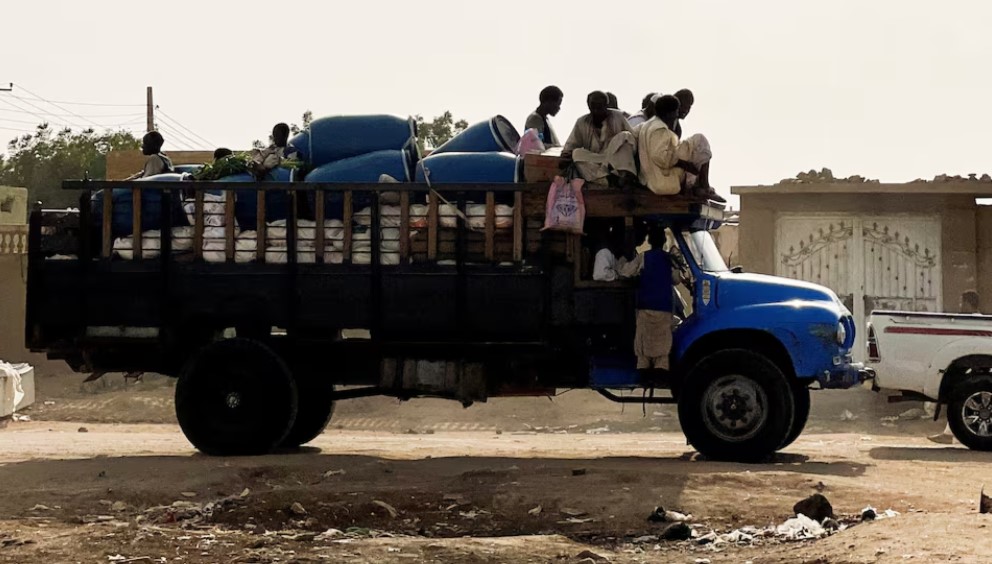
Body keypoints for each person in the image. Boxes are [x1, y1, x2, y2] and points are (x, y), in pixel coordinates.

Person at [637, 95, 726, 203]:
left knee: (694, 157)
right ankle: (704, 187)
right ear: (670, 113)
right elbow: (660, 157)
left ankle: (700, 187)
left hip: (653, 177)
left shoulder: (648, 125)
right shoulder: (659, 129)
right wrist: (683, 164)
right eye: (676, 111)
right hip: (660, 181)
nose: (676, 115)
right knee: (700, 140)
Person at [618, 224, 678, 371]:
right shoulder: (669, 259)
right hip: (664, 309)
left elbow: (625, 272)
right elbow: (676, 279)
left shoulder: (643, 257)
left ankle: (643, 375)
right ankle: (659, 374)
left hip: (645, 308)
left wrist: (621, 259)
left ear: (649, 241)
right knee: (662, 348)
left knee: (643, 348)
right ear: (664, 241)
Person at [928, 290, 982, 444]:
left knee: (961, 400)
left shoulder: (975, 321)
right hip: (973, 369)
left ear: (968, 304)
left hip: (975, 370)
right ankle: (950, 433)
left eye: (961, 303)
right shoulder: (974, 320)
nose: (959, 306)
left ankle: (950, 434)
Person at [562, 91, 638, 187]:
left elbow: (632, 138)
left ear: (606, 105)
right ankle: (606, 179)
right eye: (593, 106)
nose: (596, 110)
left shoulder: (618, 116)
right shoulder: (582, 122)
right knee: (577, 153)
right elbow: (571, 144)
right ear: (588, 106)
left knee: (625, 136)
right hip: (597, 160)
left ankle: (624, 176)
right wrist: (567, 153)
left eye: (600, 106)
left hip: (615, 159)